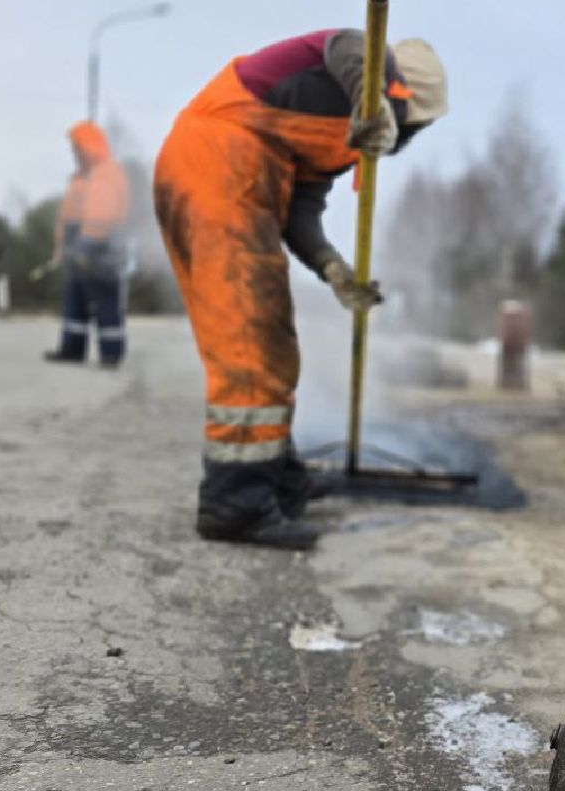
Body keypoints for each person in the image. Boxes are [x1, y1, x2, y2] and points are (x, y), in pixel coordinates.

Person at [153, 29, 447, 549]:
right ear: (402, 96)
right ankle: (234, 505)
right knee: (247, 348)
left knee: (274, 346)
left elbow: (303, 213)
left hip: (246, 183)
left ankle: (276, 474)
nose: (406, 140)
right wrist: (371, 102)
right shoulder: (362, 67)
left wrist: (334, 270)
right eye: (413, 127)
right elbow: (349, 45)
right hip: (216, 168)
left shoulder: (338, 139)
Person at [44, 122, 130, 367]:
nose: (73, 153)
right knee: (75, 300)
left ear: (89, 147)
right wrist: (62, 249)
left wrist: (86, 244)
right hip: (79, 245)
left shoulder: (106, 173)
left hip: (101, 247)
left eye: (76, 147)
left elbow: (101, 215)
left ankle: (111, 354)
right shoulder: (81, 177)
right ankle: (72, 349)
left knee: (105, 301)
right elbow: (67, 217)